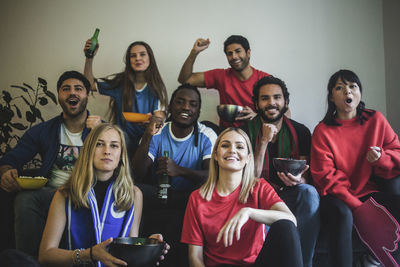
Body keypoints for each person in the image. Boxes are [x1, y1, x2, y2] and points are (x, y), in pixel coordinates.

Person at [0, 71, 101, 257]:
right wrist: (6, 172)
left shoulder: (101, 129)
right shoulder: (44, 130)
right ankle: (27, 262)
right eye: (66, 89)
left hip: (90, 194)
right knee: (26, 198)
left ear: (87, 95)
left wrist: (99, 134)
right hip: (53, 194)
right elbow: (11, 159)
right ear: (59, 96)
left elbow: (122, 161)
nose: (72, 93)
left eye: (78, 89)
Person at [38, 123, 167, 267]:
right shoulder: (65, 194)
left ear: (121, 155)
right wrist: (88, 254)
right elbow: (45, 255)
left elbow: (131, 246)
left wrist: (149, 247)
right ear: (89, 151)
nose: (107, 151)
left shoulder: (134, 194)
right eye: (99, 144)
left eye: (114, 146)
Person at [311, 69, 400, 267]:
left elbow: (397, 151)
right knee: (343, 215)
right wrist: (358, 207)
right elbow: (325, 176)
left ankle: (372, 260)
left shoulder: (375, 119)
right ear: (332, 97)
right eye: (340, 88)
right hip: (336, 196)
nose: (347, 92)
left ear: (360, 93)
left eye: (353, 86)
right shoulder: (322, 131)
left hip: (368, 190)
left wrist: (381, 159)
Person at [181, 128, 303, 267]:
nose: (232, 150)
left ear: (248, 158)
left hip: (256, 264)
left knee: (285, 226)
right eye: (225, 145)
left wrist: (249, 212)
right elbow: (195, 258)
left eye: (239, 146)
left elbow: (290, 220)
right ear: (215, 155)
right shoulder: (197, 198)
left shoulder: (259, 187)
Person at [132, 84, 217, 266]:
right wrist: (146, 137)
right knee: (133, 190)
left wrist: (180, 170)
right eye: (180, 102)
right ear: (170, 107)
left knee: (204, 195)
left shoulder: (206, 135)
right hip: (158, 196)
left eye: (192, 104)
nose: (186, 107)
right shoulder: (158, 132)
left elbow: (214, 176)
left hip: (190, 200)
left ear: (198, 110)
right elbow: (136, 174)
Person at [243, 75, 319, 267]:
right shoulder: (244, 132)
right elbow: (250, 179)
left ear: (286, 102)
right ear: (257, 104)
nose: (271, 103)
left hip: (289, 195)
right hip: (256, 196)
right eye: (265, 98)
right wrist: (263, 142)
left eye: (277, 97)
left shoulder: (300, 131)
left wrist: (298, 181)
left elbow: (306, 176)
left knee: (309, 192)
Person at [83, 38, 168, 157]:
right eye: (133, 56)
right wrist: (89, 57)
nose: (138, 58)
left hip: (147, 140)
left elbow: (159, 121)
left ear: (150, 58)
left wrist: (151, 120)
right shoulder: (119, 81)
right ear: (129, 61)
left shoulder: (157, 87)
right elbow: (89, 84)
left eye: (142, 54)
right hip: (121, 140)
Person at [178, 35, 270, 129]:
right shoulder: (221, 76)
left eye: (238, 51)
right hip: (227, 134)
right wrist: (194, 52)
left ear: (248, 53)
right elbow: (185, 80)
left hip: (254, 132)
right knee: (204, 125)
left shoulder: (264, 79)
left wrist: (257, 117)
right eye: (230, 53)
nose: (234, 56)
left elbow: (283, 111)